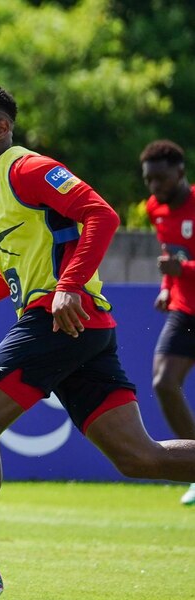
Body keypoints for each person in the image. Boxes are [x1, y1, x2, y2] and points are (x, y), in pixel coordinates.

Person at [0, 84, 195, 600]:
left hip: (58, 319)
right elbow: (14, 270)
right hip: (77, 326)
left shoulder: (27, 169)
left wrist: (67, 286)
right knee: (139, 458)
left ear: (1, 128)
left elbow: (102, 215)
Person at [140, 139, 195, 507]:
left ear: (180, 172)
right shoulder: (155, 208)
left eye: (161, 178)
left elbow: (181, 260)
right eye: (148, 180)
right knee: (163, 382)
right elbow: (170, 255)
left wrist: (183, 270)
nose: (154, 186)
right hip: (185, 310)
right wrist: (167, 285)